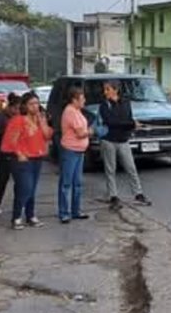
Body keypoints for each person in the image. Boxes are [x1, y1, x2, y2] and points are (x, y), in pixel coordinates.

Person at [1, 92, 53, 229]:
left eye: (37, 103)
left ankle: (30, 215)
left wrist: (43, 122)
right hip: (22, 158)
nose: (35, 107)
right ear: (25, 106)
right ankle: (16, 217)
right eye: (31, 104)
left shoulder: (40, 118)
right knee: (25, 187)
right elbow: (11, 140)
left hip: (37, 157)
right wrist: (19, 153)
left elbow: (47, 136)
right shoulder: (18, 120)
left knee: (32, 188)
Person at [99, 81, 152, 211]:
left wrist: (130, 126)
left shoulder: (126, 103)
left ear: (115, 90)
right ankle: (113, 196)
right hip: (109, 140)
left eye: (108, 89)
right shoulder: (104, 105)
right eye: (104, 89)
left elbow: (128, 117)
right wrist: (131, 124)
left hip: (123, 140)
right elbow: (111, 122)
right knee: (110, 169)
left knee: (131, 168)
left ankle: (138, 193)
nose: (105, 92)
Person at [58, 87, 92, 223]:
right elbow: (80, 133)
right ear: (74, 99)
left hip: (79, 150)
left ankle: (76, 210)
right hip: (70, 150)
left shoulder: (77, 111)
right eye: (82, 98)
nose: (84, 101)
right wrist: (91, 131)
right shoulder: (70, 112)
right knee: (66, 183)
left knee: (77, 183)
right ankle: (64, 212)